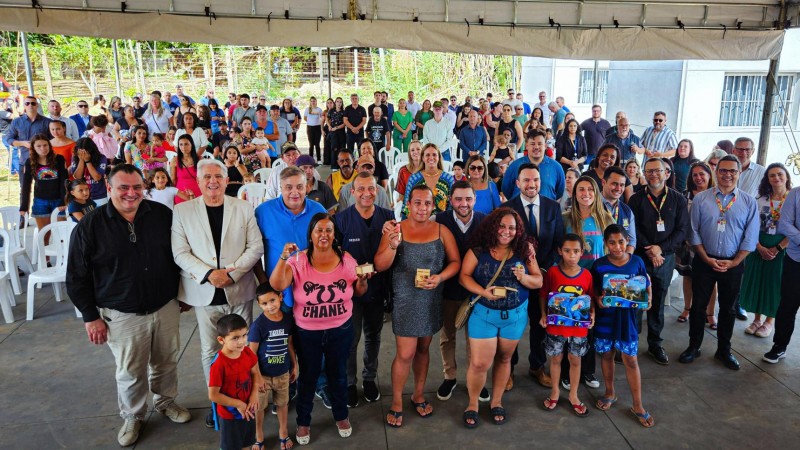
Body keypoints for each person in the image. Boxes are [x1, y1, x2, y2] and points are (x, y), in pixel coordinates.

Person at [66, 164, 190, 447]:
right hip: (120, 314)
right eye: (123, 187)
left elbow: (180, 257)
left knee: (166, 360)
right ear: (109, 188)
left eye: (136, 187)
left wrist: (183, 294)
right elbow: (75, 277)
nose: (131, 193)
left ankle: (166, 401)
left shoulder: (161, 215)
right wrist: (90, 316)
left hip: (165, 305)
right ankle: (133, 415)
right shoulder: (90, 226)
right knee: (130, 370)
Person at [172, 158, 264, 427]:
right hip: (204, 290)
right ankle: (217, 406)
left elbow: (255, 247)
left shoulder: (244, 207)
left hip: (239, 288)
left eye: (218, 176)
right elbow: (180, 252)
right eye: (207, 177)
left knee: (241, 347)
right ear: (198, 182)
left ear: (227, 180)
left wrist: (231, 273)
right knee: (211, 349)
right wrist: (210, 274)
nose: (213, 181)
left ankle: (244, 400)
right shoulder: (183, 211)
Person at [269, 213, 369, 444]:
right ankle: (304, 422)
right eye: (319, 230)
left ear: (334, 235)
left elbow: (359, 291)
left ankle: (341, 416)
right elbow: (277, 285)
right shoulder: (298, 260)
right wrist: (284, 257)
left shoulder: (346, 259)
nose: (324, 235)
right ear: (311, 234)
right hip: (307, 332)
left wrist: (364, 280)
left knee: (339, 376)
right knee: (308, 377)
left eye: (328, 230)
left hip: (340, 329)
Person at [374, 185, 461, 428]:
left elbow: (455, 262)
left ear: (433, 206)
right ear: (408, 205)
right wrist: (392, 245)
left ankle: (418, 394)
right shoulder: (396, 229)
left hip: (431, 298)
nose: (422, 208)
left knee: (424, 348)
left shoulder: (442, 230)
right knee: (405, 353)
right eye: (417, 203)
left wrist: (440, 278)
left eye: (427, 203)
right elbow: (380, 265)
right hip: (405, 300)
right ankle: (397, 403)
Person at [459, 207, 542, 427]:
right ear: (493, 226)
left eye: (512, 228)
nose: (506, 231)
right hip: (483, 315)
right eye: (502, 226)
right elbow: (463, 277)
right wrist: (483, 292)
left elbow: (539, 281)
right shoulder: (478, 251)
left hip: (514, 317)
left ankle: (496, 402)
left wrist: (524, 277)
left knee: (505, 359)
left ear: (518, 230)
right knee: (479, 364)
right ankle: (473, 404)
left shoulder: (525, 251)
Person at [679, 155, 759, 370]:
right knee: (698, 308)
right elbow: (693, 231)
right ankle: (693, 347)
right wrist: (704, 257)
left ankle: (724, 350)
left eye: (732, 171)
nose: (727, 174)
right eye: (723, 170)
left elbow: (751, 237)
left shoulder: (748, 202)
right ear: (716, 172)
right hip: (704, 261)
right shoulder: (701, 199)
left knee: (729, 309)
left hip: (734, 263)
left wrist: (735, 262)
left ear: (739, 173)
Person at [334, 173, 395, 407]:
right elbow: (336, 255)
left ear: (378, 191)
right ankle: (349, 382)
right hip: (350, 290)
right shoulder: (341, 220)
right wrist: (353, 269)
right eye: (361, 189)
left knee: (374, 335)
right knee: (350, 338)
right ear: (352, 192)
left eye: (371, 188)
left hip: (378, 287)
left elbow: (394, 250)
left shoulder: (388, 218)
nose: (367, 193)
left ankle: (369, 378)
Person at [502, 163, 563, 388]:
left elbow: (559, 243)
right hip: (514, 278)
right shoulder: (507, 209)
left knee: (540, 324)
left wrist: (544, 271)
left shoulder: (552, 207)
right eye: (526, 180)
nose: (532, 184)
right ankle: (508, 369)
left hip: (543, 278)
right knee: (513, 326)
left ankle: (537, 366)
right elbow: (503, 244)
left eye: (535, 180)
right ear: (517, 183)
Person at [591, 224, 655, 428]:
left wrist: (649, 299)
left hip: (627, 320)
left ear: (627, 241)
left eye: (621, 241)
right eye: (612, 242)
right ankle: (610, 392)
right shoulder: (599, 265)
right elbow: (593, 291)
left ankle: (638, 405)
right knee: (607, 355)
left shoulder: (636, 262)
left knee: (631, 360)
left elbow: (646, 283)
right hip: (606, 319)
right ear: (605, 244)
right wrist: (598, 300)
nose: (617, 246)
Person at [628, 158, 690, 365]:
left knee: (658, 302)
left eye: (657, 171)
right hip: (641, 257)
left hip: (666, 257)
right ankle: (632, 342)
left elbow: (682, 230)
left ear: (667, 173)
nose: (653, 174)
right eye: (649, 171)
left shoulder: (678, 199)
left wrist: (660, 249)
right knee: (636, 300)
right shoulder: (636, 199)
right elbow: (632, 228)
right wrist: (650, 249)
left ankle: (655, 343)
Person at [434, 181, 488, 403]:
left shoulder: (486, 222)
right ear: (450, 201)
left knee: (475, 339)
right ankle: (450, 376)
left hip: (476, 292)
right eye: (458, 199)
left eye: (468, 199)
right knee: (447, 336)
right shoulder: (439, 221)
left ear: (475, 199)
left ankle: (475, 379)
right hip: (447, 289)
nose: (463, 204)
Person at [562, 176, 614, 388]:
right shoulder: (566, 219)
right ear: (574, 194)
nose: (586, 194)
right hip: (571, 279)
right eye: (581, 189)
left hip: (597, 280)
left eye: (590, 190)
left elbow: (613, 250)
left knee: (591, 327)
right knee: (570, 325)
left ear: (596, 193)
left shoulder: (606, 219)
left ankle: (588, 371)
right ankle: (566, 372)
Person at [256, 166, 328, 311]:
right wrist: (264, 282)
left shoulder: (318, 210)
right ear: (280, 188)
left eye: (299, 187)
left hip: (314, 287)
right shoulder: (263, 212)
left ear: (307, 187)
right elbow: (254, 250)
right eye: (289, 187)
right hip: (279, 290)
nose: (294, 192)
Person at [540, 234, 594, 417]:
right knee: (555, 359)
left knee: (575, 360)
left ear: (582, 253)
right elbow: (544, 294)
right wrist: (543, 314)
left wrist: (592, 314)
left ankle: (573, 395)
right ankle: (555, 391)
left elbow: (590, 298)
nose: (572, 255)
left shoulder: (587, 275)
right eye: (567, 251)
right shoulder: (553, 273)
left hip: (578, 328)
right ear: (559, 252)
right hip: (556, 326)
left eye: (576, 251)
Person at [740, 163, 792, 338]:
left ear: (786, 177)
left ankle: (769, 322)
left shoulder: (793, 199)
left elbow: (796, 229)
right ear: (767, 179)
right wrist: (759, 247)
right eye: (772, 175)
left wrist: (778, 248)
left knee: (775, 284)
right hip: (759, 246)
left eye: (779, 174)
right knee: (757, 282)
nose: (776, 178)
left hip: (782, 248)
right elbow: (751, 226)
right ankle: (756, 319)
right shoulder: (760, 199)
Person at [248, 283, 297, 450]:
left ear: (281, 297)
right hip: (263, 376)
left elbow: (290, 343)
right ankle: (258, 435)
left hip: (283, 373)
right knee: (260, 407)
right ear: (259, 304)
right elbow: (251, 354)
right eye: (264, 303)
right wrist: (258, 377)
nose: (270, 306)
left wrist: (295, 365)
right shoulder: (258, 325)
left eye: (273, 300)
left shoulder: (288, 320)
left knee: (283, 404)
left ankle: (283, 432)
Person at [208, 314, 260, 450]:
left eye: (244, 335)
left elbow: (255, 374)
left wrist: (254, 394)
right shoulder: (219, 364)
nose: (242, 341)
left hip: (248, 409)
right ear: (221, 339)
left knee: (247, 443)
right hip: (230, 415)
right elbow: (213, 395)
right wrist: (237, 404)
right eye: (235, 338)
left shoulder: (247, 352)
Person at [677, 162, 717, 324]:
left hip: (710, 245)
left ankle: (710, 313)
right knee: (688, 277)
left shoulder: (717, 195)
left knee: (711, 280)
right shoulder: (684, 196)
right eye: (695, 175)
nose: (699, 178)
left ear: (709, 175)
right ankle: (687, 308)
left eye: (702, 174)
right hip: (688, 245)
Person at [765, 183, 800, 363]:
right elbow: (785, 224)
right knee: (787, 306)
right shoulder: (795, 194)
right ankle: (779, 346)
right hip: (796, 260)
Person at [19, 133, 68, 229]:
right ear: (33, 148)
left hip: (58, 200)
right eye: (39, 146)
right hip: (40, 201)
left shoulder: (59, 159)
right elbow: (26, 185)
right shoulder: (29, 162)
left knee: (62, 234)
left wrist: (63, 201)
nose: (43, 148)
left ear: (49, 146)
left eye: (45, 145)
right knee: (45, 234)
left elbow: (64, 182)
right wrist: (24, 206)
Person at [502, 133, 565, 201]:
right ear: (527, 146)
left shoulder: (556, 167)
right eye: (532, 144)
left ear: (545, 146)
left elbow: (559, 192)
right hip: (519, 210)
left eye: (540, 144)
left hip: (546, 210)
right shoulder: (514, 166)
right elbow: (506, 190)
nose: (536, 147)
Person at [402, 144, 455, 218]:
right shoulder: (414, 179)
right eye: (427, 155)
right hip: (418, 224)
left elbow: (452, 206)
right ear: (423, 158)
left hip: (442, 224)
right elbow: (406, 206)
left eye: (434, 155)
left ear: (439, 158)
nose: (431, 158)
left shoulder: (448, 179)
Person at [3, 95, 51, 176]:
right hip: (24, 161)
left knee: (45, 188)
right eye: (27, 103)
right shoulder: (16, 122)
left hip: (44, 161)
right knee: (25, 188)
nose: (30, 105)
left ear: (37, 105)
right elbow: (9, 139)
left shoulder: (47, 121)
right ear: (24, 105)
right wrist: (23, 143)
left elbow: (53, 140)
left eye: (33, 103)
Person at [70, 137, 109, 206]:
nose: (83, 154)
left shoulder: (101, 158)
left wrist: (87, 161)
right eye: (81, 152)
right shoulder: (75, 158)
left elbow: (97, 177)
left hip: (99, 196)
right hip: (82, 197)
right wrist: (81, 160)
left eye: (85, 152)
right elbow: (77, 177)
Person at [170, 134, 200, 205]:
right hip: (181, 195)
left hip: (198, 194)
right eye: (181, 144)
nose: (183, 147)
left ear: (191, 145)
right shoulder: (174, 160)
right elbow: (173, 180)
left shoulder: (200, 159)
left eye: (186, 144)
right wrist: (171, 197)